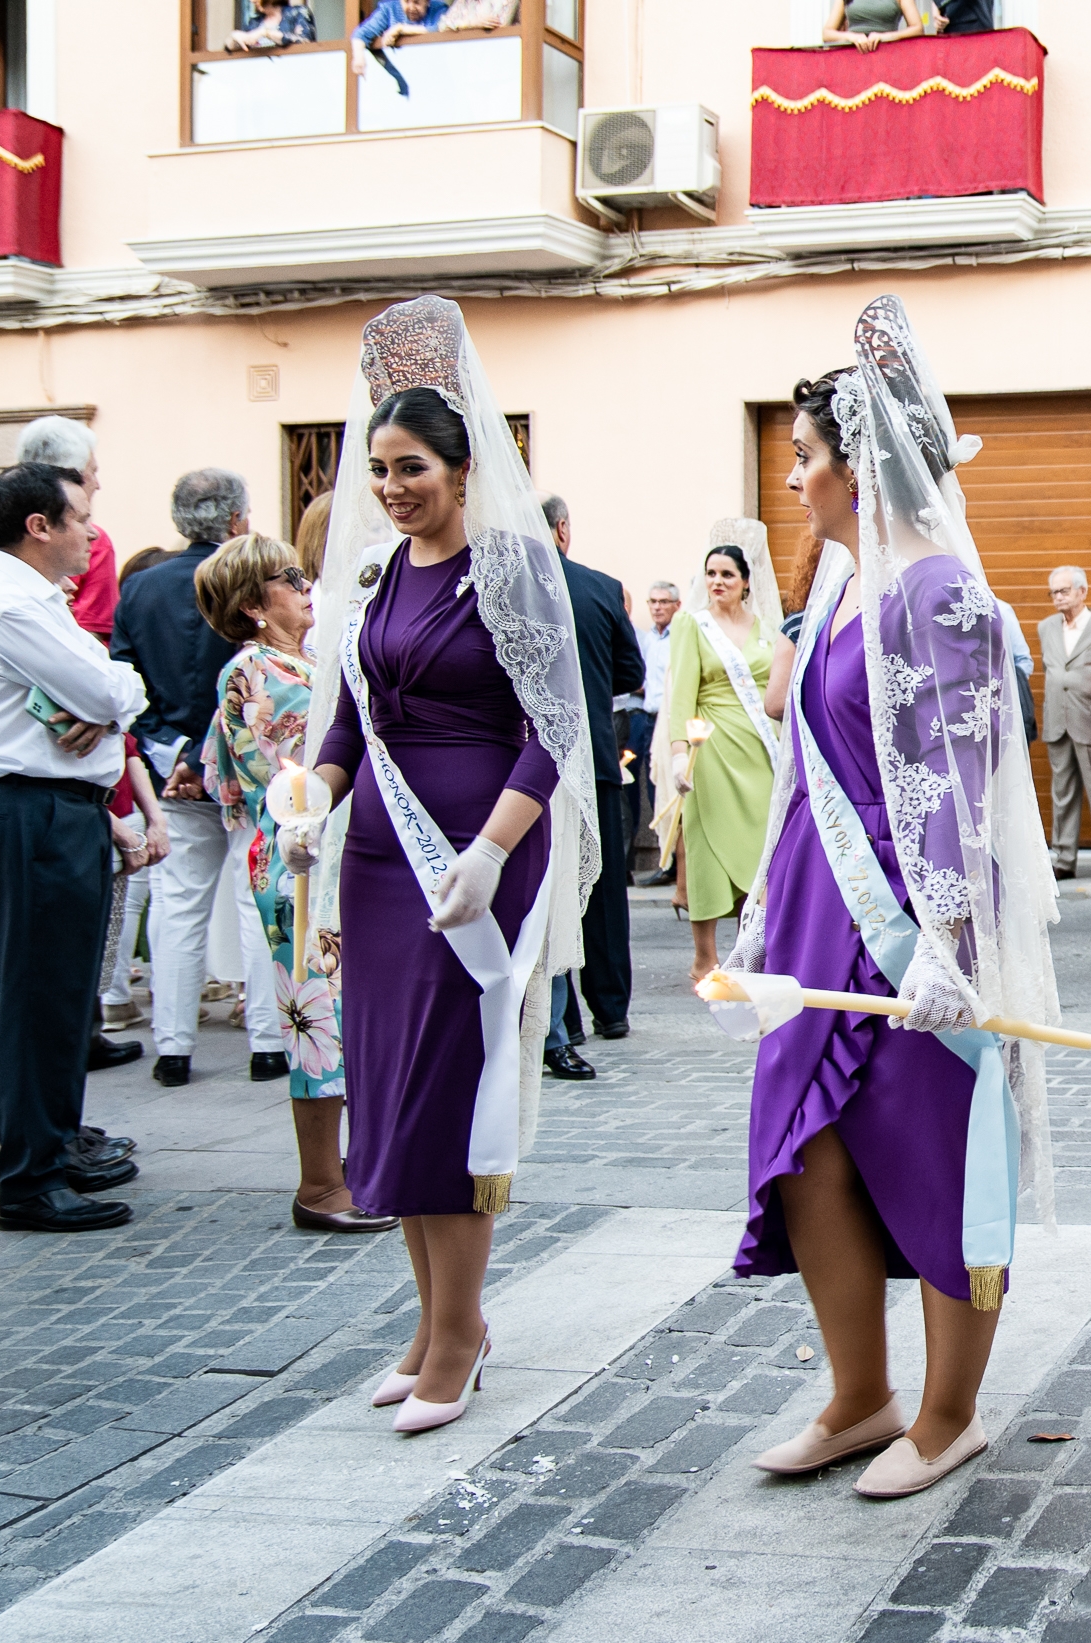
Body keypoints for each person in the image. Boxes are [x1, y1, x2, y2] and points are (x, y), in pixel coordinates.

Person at [724, 298, 1063, 1498]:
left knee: (933, 1147)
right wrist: (769, 904)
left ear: (860, 465)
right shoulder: (834, 590)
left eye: (807, 457)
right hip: (825, 900)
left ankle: (948, 1410)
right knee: (804, 1142)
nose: (797, 480)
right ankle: (858, 1392)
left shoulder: (939, 595)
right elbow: (800, 756)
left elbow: (968, 792)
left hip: (921, 917)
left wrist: (952, 946)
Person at [286, 295, 598, 1432]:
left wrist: (491, 848)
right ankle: (426, 1319)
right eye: (376, 468)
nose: (391, 487)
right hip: (377, 856)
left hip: (475, 855)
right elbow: (351, 716)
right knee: (389, 1090)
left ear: (465, 467)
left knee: (451, 1088)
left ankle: (462, 1329)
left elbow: (553, 725)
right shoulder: (374, 576)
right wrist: (313, 787)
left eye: (411, 465)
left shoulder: (511, 568)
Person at [0, 462, 154, 1234]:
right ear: (39, 526)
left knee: (65, 996)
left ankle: (57, 1147)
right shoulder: (9, 603)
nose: (91, 530)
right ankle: (30, 1181)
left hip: (59, 809)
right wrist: (112, 697)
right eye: (79, 516)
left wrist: (111, 696)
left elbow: (109, 691)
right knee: (37, 1000)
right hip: (33, 809)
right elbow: (108, 694)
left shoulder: (29, 599)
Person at [196, 534, 392, 1235]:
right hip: (301, 865)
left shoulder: (297, 661)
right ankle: (319, 1185)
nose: (306, 585)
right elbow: (278, 771)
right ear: (254, 603)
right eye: (289, 577)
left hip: (332, 855)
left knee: (347, 1021)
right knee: (317, 1025)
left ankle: (355, 1174)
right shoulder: (255, 671)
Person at [114, 468, 283, 1087]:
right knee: (252, 896)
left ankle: (174, 1047)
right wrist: (204, 749)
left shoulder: (139, 588)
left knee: (178, 904)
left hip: (170, 764)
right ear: (238, 519)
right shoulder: (251, 577)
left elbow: (126, 686)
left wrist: (177, 750)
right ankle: (267, 1042)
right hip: (244, 764)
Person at [543, 494, 647, 1057]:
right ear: (563, 529)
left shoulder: (504, 588)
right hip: (595, 755)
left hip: (525, 766)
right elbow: (631, 670)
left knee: (550, 882)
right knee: (604, 886)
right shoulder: (601, 588)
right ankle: (610, 1009)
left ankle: (564, 1018)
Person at [664, 535, 781, 982]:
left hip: (761, 750)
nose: (717, 581)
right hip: (710, 749)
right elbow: (681, 697)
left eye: (727, 574)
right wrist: (678, 755)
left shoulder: (769, 628)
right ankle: (704, 957)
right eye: (711, 574)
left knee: (759, 851)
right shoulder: (691, 625)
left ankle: (749, 950)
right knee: (707, 849)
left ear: (746, 582)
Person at [0, 417, 121, 640]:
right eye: (92, 472)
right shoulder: (93, 542)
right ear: (68, 474)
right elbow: (92, 638)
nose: (97, 484)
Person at [1035, 567, 1091, 880]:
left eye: (1064, 591)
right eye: (1054, 592)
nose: (1058, 597)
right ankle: (1063, 858)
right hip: (1058, 719)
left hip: (1090, 718)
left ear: (1082, 591)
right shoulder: (1046, 628)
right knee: (1062, 793)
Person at [630, 580, 680, 884]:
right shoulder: (645, 639)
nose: (657, 607)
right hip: (646, 718)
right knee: (650, 787)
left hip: (671, 718)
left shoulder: (681, 636)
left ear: (677, 605)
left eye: (664, 601)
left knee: (669, 789)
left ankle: (674, 864)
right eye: (652, 602)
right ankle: (664, 858)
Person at [822, 0, 940, 49]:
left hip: (886, 53)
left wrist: (886, 37)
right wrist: (851, 37)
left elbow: (917, 28)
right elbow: (827, 33)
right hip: (852, 55)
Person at [224, 0, 314, 51]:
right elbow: (238, 47)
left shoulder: (298, 12)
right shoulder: (255, 22)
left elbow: (305, 41)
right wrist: (233, 37)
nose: (252, 1)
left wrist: (266, 33)